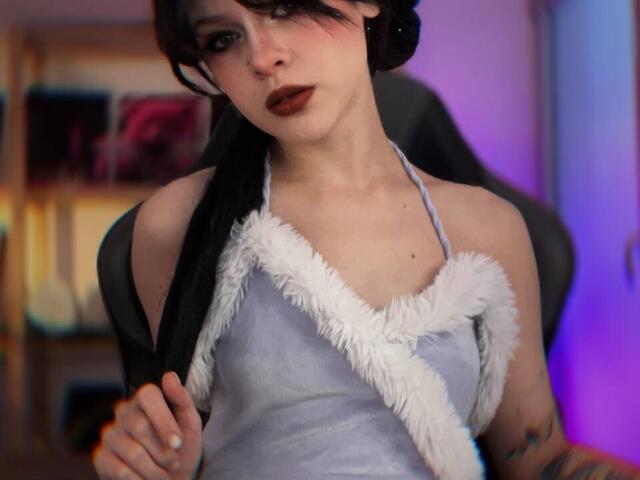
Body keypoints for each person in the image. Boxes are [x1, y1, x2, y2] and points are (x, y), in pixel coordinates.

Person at [93, 1, 640, 479]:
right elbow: (174, 445)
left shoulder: (487, 231)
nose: (262, 57)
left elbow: (540, 463)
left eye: (285, 6)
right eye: (224, 38)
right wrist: (149, 461)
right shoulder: (176, 227)